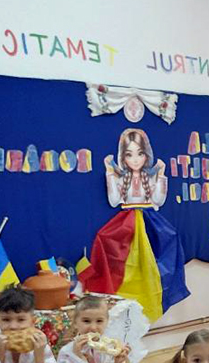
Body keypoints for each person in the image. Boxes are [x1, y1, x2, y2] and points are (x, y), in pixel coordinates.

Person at [81, 128, 190, 321]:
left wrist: (161, 175)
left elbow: (158, 200)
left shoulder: (150, 176)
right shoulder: (122, 177)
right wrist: (110, 174)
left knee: (166, 244)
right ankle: (113, 293)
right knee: (106, 240)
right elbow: (114, 201)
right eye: (129, 154)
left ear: (146, 154)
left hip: (150, 223)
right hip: (126, 222)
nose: (135, 160)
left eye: (140, 153)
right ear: (123, 157)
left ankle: (159, 293)